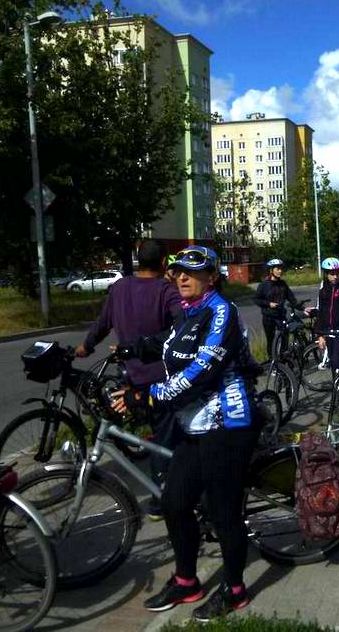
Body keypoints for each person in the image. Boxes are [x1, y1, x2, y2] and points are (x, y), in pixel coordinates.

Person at [112, 245, 261, 620]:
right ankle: (186, 580)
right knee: (175, 503)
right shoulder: (190, 312)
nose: (181, 277)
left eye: (192, 272)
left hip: (227, 423)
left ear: (212, 278)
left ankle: (234, 589)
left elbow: (200, 371)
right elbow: (167, 342)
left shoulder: (221, 311)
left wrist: (148, 398)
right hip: (193, 425)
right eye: (177, 270)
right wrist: (129, 348)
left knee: (224, 514)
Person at [75, 239, 181, 520]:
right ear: (163, 263)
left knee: (130, 424)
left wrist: (86, 345)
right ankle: (162, 499)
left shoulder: (119, 288)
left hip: (130, 375)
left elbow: (103, 322)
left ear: (137, 260)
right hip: (161, 377)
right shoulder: (165, 291)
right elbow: (181, 327)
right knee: (163, 438)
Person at [254, 258, 298, 359]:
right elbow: (256, 299)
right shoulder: (264, 285)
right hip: (268, 316)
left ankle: (283, 359)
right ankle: (272, 361)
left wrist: (302, 308)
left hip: (280, 315)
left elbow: (291, 298)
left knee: (284, 337)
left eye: (281, 269)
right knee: (271, 340)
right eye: (277, 269)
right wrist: (268, 304)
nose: (280, 271)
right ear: (271, 270)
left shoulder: (283, 284)